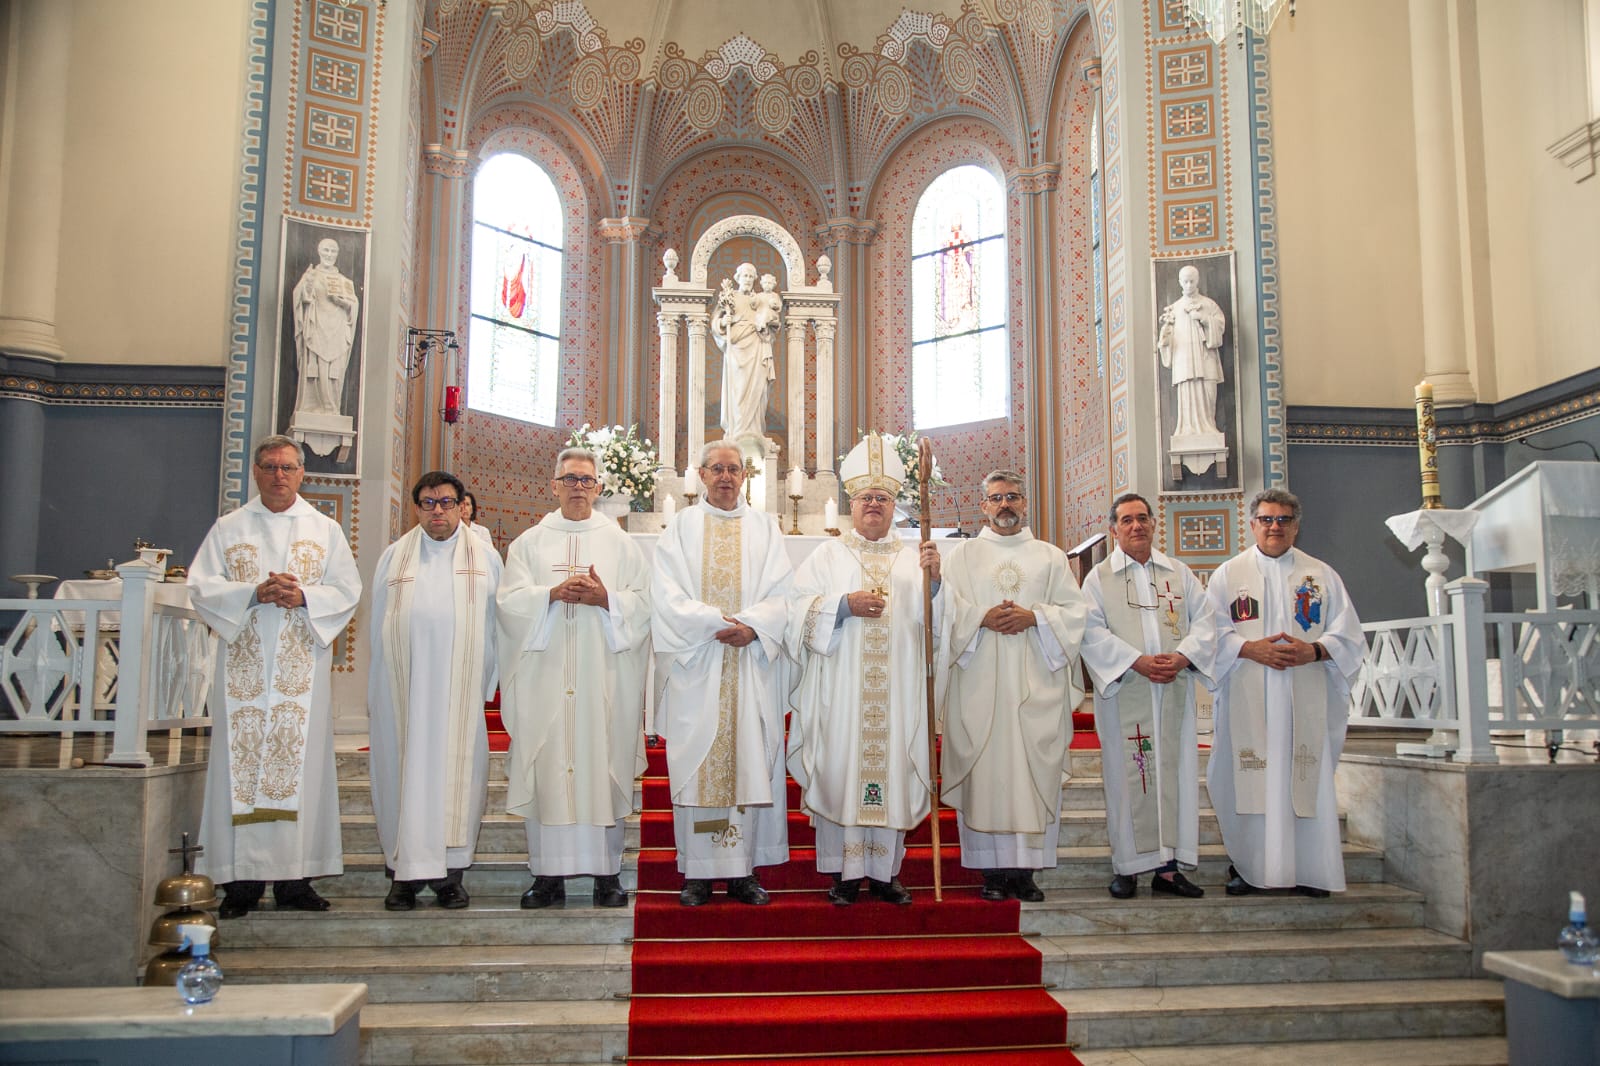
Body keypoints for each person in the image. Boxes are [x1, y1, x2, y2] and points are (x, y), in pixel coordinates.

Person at [188, 435, 362, 919]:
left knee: (300, 770)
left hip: (298, 676)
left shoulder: (324, 529)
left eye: (287, 467)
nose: (279, 475)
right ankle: (240, 883)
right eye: (269, 467)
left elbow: (347, 589)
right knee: (236, 769)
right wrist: (253, 592)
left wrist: (304, 597)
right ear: (256, 473)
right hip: (242, 675)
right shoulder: (229, 528)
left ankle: (295, 881)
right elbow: (201, 587)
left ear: (302, 473)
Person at [786, 434, 942, 906]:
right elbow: (795, 610)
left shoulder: (916, 557)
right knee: (841, 768)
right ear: (850, 505)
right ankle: (844, 873)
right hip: (842, 694)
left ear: (895, 506)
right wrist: (841, 605)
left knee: (890, 769)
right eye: (865, 498)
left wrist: (935, 584)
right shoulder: (827, 555)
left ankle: (885, 872)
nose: (874, 505)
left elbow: (938, 625)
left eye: (883, 498)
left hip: (897, 693)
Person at [497, 448, 652, 909]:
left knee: (600, 762)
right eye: (570, 479)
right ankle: (547, 876)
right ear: (554, 486)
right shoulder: (528, 544)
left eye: (586, 480)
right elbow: (507, 604)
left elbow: (644, 605)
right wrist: (549, 594)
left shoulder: (622, 545)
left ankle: (607, 874)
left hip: (601, 679)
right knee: (548, 764)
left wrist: (608, 600)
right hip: (545, 679)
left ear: (599, 488)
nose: (578, 488)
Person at [652, 440, 793, 906]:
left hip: (749, 663)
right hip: (701, 662)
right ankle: (697, 872)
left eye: (734, 469)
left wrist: (753, 626)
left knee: (750, 759)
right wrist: (717, 623)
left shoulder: (765, 528)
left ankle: (742, 872)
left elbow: (782, 592)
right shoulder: (681, 528)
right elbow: (666, 595)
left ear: (745, 476)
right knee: (700, 765)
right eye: (717, 469)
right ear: (702, 474)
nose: (726, 477)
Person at [1206, 488, 1363, 897]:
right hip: (1247, 692)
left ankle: (1312, 869)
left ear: (1296, 526)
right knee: (1249, 778)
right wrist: (1248, 647)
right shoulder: (1229, 575)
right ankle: (1251, 866)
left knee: (1303, 777)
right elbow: (1208, 634)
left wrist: (1313, 650)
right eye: (1267, 519)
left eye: (1283, 520)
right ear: (1252, 524)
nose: (1275, 527)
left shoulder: (1322, 575)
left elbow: (1348, 635)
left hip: (1303, 692)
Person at [939, 471, 1087, 903]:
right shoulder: (962, 556)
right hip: (979, 680)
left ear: (1025, 503)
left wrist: (1036, 617)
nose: (1005, 505)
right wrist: (979, 617)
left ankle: (1026, 870)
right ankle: (990, 869)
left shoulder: (1050, 557)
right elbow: (945, 608)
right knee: (986, 771)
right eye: (996, 498)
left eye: (1013, 497)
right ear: (982, 505)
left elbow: (1075, 612)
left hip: (1035, 682)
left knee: (1029, 769)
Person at [366, 471, 502, 911]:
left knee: (455, 778)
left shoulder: (485, 557)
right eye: (428, 503)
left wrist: (489, 680)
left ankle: (450, 876)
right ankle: (401, 876)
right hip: (403, 690)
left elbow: (500, 625)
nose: (437, 510)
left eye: (446, 501)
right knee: (400, 773)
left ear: (462, 505)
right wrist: (381, 681)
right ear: (417, 508)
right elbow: (377, 623)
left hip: (457, 694)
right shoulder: (393, 557)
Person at [1081, 493, 1217, 900]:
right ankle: (1128, 867)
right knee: (1128, 779)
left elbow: (1206, 622)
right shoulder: (1098, 578)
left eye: (1143, 518)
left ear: (1154, 523)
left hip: (1172, 688)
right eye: (1127, 520)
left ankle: (1170, 869)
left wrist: (1182, 656)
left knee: (1175, 775)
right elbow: (1089, 630)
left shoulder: (1177, 572)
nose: (1136, 526)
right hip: (1127, 691)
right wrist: (1134, 661)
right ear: (1114, 529)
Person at [711, 262, 779, 445]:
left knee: (758, 391)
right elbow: (715, 324)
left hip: (757, 347)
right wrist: (723, 322)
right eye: (745, 276)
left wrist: (765, 326)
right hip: (736, 351)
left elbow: (773, 324)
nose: (748, 279)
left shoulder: (759, 299)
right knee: (738, 391)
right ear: (738, 278)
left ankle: (754, 431)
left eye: (751, 276)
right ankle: (737, 431)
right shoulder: (729, 297)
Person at [292, 237, 360, 418]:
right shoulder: (311, 276)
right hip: (317, 328)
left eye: (333, 251)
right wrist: (306, 289)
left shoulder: (344, 281)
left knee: (334, 371)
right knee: (315, 365)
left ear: (337, 254)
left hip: (337, 330)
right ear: (319, 252)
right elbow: (302, 300)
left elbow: (353, 306)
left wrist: (342, 303)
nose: (329, 255)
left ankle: (332, 406)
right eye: (326, 250)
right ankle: (312, 405)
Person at [1157, 264, 1226, 439]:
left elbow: (1220, 325)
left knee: (1209, 392)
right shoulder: (1174, 309)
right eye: (1185, 281)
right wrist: (1164, 339)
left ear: (1198, 281)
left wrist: (1204, 319)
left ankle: (1209, 426)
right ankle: (1187, 429)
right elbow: (1168, 342)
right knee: (1187, 394)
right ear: (1180, 282)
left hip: (1205, 359)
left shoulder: (1208, 305)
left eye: (1192, 281)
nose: (1189, 285)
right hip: (1185, 362)